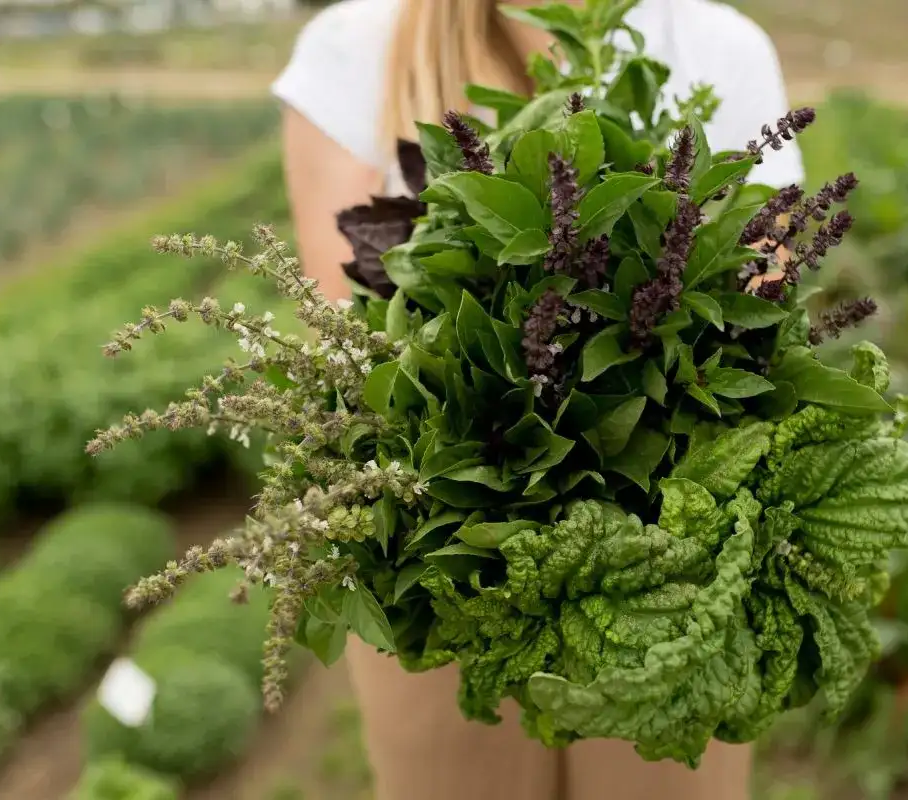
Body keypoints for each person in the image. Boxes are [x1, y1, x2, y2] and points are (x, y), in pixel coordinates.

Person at [272, 2, 804, 798]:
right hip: (451, 574)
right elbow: (344, 340)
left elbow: (769, 290)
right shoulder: (357, 46)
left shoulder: (719, 47)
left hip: (663, 583)